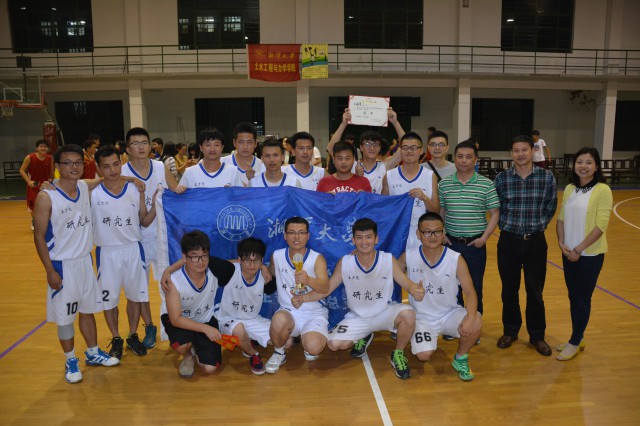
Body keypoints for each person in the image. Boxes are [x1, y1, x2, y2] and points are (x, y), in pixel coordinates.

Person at [33, 144, 119, 384]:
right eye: (67, 163)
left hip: (84, 262)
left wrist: (131, 179)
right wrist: (49, 270)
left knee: (88, 310)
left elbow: (104, 179)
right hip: (62, 265)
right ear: (58, 166)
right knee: (65, 317)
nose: (74, 167)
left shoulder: (83, 186)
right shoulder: (46, 197)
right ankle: (70, 359)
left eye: (78, 162)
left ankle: (92, 352)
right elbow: (38, 236)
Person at [319, 218, 424, 380]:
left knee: (408, 314)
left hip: (384, 312)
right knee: (334, 345)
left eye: (368, 237)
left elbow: (406, 283)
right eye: (359, 237)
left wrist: (415, 289)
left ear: (376, 239)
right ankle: (365, 334)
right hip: (358, 316)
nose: (364, 242)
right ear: (353, 240)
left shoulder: (388, 259)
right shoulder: (345, 262)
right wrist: (304, 297)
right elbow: (327, 289)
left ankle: (398, 353)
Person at [122, 127, 186, 350]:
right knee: (138, 290)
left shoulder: (159, 167)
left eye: (144, 142)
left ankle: (170, 330)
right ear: (128, 149)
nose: (140, 147)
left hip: (162, 238)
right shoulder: (121, 172)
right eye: (135, 143)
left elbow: (175, 190)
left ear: (150, 146)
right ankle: (147, 327)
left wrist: (182, 190)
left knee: (167, 285)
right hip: (134, 240)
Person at [92, 145, 158, 359]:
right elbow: (73, 185)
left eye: (116, 164)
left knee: (135, 297)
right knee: (109, 300)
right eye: (106, 166)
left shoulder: (135, 189)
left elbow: (144, 221)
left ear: (121, 162)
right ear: (98, 168)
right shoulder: (92, 192)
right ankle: (116, 338)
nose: (112, 170)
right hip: (106, 252)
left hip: (133, 250)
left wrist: (156, 204)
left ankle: (132, 335)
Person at [399, 212, 482, 381]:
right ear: (418, 234)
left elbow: (470, 292)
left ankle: (460, 358)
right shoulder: (409, 256)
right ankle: (418, 336)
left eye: (437, 231)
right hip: (421, 318)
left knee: (476, 320)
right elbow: (388, 270)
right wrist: (364, 254)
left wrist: (471, 317)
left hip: (449, 314)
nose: (433, 236)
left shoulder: (456, 259)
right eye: (427, 232)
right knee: (424, 355)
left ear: (443, 233)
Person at [494, 135, 557, 356]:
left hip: (535, 242)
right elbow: (496, 208)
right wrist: (506, 225)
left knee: (535, 291)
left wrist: (538, 225)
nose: (520, 154)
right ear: (511, 153)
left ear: (533, 151)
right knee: (508, 290)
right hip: (508, 241)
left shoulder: (547, 178)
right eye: (516, 150)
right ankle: (510, 331)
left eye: (524, 149)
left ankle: (537, 336)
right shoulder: (501, 179)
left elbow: (550, 206)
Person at [555, 147, 612, 361]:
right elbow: (561, 218)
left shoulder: (602, 190)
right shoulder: (570, 188)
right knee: (574, 297)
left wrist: (579, 249)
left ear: (596, 166)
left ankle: (574, 341)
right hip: (568, 254)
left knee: (582, 299)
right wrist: (561, 243)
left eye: (589, 162)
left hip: (589, 256)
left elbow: (601, 225)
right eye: (580, 162)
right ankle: (578, 337)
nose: (583, 166)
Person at [438, 139, 500, 317]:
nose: (464, 160)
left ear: (475, 160)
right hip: (451, 244)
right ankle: (455, 322)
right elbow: (442, 211)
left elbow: (495, 213)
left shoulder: (486, 184)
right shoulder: (444, 184)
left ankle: (474, 322)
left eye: (468, 157)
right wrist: (442, 234)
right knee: (452, 287)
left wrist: (484, 238)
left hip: (475, 245)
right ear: (454, 159)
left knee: (475, 287)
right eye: (460, 156)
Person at [265, 217, 330, 374]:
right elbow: (270, 272)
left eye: (301, 233)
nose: (296, 237)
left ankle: (304, 339)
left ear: (308, 236)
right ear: (285, 235)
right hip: (289, 311)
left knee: (314, 347)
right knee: (278, 320)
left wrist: (308, 280)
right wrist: (261, 267)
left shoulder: (317, 258)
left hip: (314, 313)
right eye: (292, 232)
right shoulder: (277, 256)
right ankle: (279, 353)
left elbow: (325, 287)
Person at [162, 231, 222, 378]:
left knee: (209, 369)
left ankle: (197, 346)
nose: (200, 261)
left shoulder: (214, 270)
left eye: (204, 255)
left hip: (205, 320)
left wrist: (263, 267)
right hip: (182, 322)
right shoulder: (173, 281)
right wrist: (205, 329)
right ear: (184, 258)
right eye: (194, 256)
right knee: (183, 346)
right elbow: (176, 319)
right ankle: (188, 355)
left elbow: (239, 265)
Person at [382, 132, 440, 249]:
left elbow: (436, 210)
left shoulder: (430, 176)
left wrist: (424, 198)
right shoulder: (389, 176)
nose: (409, 151)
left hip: (423, 235)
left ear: (421, 150)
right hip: (396, 234)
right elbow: (383, 210)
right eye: (405, 148)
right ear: (400, 150)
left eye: (413, 148)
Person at [327, 108, 404, 186]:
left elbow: (405, 147)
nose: (372, 148)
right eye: (367, 144)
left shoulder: (384, 166)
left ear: (380, 148)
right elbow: (331, 148)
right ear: (361, 147)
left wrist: (395, 122)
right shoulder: (352, 165)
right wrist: (343, 124)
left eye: (375, 144)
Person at [19, 139, 54, 231]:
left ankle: (46, 222)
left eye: (45, 147)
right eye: (41, 146)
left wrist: (51, 180)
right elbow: (22, 170)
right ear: (37, 148)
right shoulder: (30, 157)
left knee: (47, 205)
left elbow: (51, 171)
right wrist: (28, 181)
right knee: (34, 206)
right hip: (34, 185)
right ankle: (34, 221)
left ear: (48, 148)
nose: (43, 148)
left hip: (45, 185)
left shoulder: (50, 158)